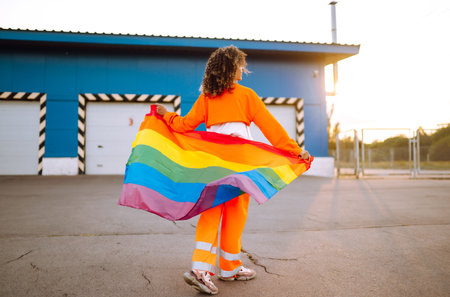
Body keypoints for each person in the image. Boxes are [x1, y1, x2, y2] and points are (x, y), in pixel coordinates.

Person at [156, 45, 310, 295]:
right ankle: (213, 269)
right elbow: (272, 129)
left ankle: (221, 268)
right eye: (240, 65)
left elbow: (184, 125)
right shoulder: (247, 95)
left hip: (213, 165)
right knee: (235, 214)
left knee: (213, 212)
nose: (243, 70)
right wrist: (294, 150)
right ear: (229, 68)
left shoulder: (207, 98)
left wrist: (166, 116)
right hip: (240, 166)